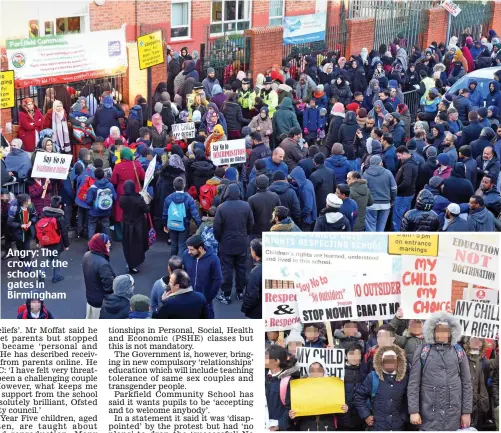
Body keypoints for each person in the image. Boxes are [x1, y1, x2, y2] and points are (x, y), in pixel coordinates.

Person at [407, 311, 473, 431]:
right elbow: (413, 384)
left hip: (453, 416)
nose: (442, 334)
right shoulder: (423, 351)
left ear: (451, 332)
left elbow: (467, 384)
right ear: (432, 331)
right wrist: (414, 411)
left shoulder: (459, 351)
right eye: (438, 330)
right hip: (428, 416)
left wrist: (466, 412)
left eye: (445, 330)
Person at [214, 184, 254, 305]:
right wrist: (245, 235)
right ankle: (240, 292)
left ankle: (226, 293)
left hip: (226, 242)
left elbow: (216, 228)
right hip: (242, 241)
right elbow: (251, 223)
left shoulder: (221, 207)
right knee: (241, 268)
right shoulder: (246, 206)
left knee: (227, 269)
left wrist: (220, 239)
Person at [354, 345, 409, 431]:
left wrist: (403, 417)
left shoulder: (404, 379)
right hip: (377, 426)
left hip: (397, 427)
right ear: (381, 362)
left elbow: (408, 400)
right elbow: (359, 397)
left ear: (397, 362)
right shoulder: (372, 377)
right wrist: (366, 415)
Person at [183, 235, 222, 319]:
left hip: (205, 300)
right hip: (188, 298)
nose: (188, 252)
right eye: (188, 249)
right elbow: (183, 273)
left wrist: (209, 297)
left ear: (200, 248)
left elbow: (218, 280)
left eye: (191, 249)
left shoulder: (214, 259)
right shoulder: (186, 255)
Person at [111, 148, 145, 241]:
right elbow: (142, 177)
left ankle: (120, 236)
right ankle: (134, 235)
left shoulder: (118, 166)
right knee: (135, 212)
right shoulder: (137, 164)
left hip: (121, 192)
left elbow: (113, 180)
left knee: (120, 213)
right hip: (135, 190)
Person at [163, 177, 201, 257]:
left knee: (173, 244)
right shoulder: (188, 198)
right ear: (184, 185)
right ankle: (180, 264)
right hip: (184, 224)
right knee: (182, 245)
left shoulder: (168, 198)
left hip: (172, 224)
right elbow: (194, 214)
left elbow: (165, 213)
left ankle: (173, 262)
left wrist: (165, 224)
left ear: (174, 186)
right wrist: (199, 225)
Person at [36, 195, 69, 283]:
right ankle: (56, 276)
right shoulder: (60, 216)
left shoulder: (44, 213)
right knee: (56, 259)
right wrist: (66, 244)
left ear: (50, 204)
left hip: (46, 240)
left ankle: (41, 273)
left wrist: (39, 241)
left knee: (49, 257)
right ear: (60, 206)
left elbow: (39, 228)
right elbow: (64, 232)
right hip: (57, 241)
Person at [265, 345, 298, 432]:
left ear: (276, 361)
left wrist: (280, 425)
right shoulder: (264, 376)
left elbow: (290, 408)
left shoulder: (288, 380)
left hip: (278, 427)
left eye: (266, 358)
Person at [119, 179, 150, 273]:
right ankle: (135, 263)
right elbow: (146, 209)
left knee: (128, 244)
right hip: (138, 224)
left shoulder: (122, 198)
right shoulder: (138, 198)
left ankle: (130, 262)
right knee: (138, 244)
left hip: (127, 224)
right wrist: (146, 200)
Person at [82, 233, 116, 319]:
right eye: (107, 242)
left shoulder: (86, 256)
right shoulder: (102, 264)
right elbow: (109, 286)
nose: (110, 244)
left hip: (90, 298)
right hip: (100, 303)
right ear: (101, 245)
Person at [363, 155, 397, 232]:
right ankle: (379, 242)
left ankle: (372, 243)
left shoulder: (365, 174)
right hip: (385, 204)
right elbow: (394, 188)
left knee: (371, 226)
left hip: (371, 204)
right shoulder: (388, 173)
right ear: (380, 163)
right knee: (381, 227)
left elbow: (364, 190)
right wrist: (392, 200)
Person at [7, 194, 37, 270]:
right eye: (28, 202)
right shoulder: (14, 207)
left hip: (28, 231)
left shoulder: (31, 205)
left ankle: (28, 266)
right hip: (18, 232)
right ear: (22, 202)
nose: (30, 203)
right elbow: (10, 222)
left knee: (27, 248)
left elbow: (35, 216)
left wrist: (31, 221)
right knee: (20, 247)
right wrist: (20, 225)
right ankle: (22, 259)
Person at [85, 167, 116, 239]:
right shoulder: (110, 185)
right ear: (104, 175)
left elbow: (88, 201)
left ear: (95, 176)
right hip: (106, 210)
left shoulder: (92, 187)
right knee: (106, 226)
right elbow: (115, 198)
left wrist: (91, 204)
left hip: (94, 211)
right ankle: (107, 244)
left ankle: (92, 245)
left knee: (92, 226)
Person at [393, 146, 418, 231]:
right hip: (408, 194)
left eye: (399, 156)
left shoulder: (408, 166)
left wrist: (396, 189)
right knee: (406, 215)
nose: (398, 158)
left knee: (398, 216)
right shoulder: (411, 162)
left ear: (404, 154)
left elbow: (406, 182)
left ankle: (397, 235)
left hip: (403, 195)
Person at [289, 166, 317, 231]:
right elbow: (298, 189)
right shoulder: (307, 182)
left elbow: (308, 207)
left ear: (298, 178)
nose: (292, 180)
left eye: (294, 179)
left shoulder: (305, 189)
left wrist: (299, 215)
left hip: (307, 220)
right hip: (309, 217)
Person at [241, 238, 262, 319]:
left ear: (254, 252)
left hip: (257, 312)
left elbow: (252, 295)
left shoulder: (255, 272)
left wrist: (245, 307)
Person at [309, 153, 335, 217]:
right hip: (329, 202)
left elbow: (311, 192)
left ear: (314, 162)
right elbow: (334, 186)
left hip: (319, 205)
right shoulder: (331, 171)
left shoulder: (314, 175)